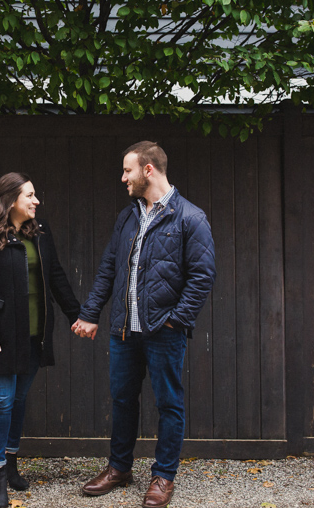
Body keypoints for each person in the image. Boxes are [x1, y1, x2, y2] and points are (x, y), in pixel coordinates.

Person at [71, 141, 216, 508]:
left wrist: (176, 321)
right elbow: (109, 268)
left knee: (169, 404)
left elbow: (202, 276)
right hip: (124, 330)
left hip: (163, 332)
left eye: (127, 170)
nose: (123, 178)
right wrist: (90, 313)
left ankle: (164, 476)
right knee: (122, 400)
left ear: (148, 170)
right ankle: (119, 468)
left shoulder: (190, 218)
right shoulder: (128, 216)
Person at [0, 172, 81, 508]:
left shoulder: (40, 233)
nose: (36, 201)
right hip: (2, 336)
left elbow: (57, 275)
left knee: (18, 399)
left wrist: (77, 315)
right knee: (1, 400)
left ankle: (13, 464)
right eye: (30, 195)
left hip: (35, 334)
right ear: (11, 200)